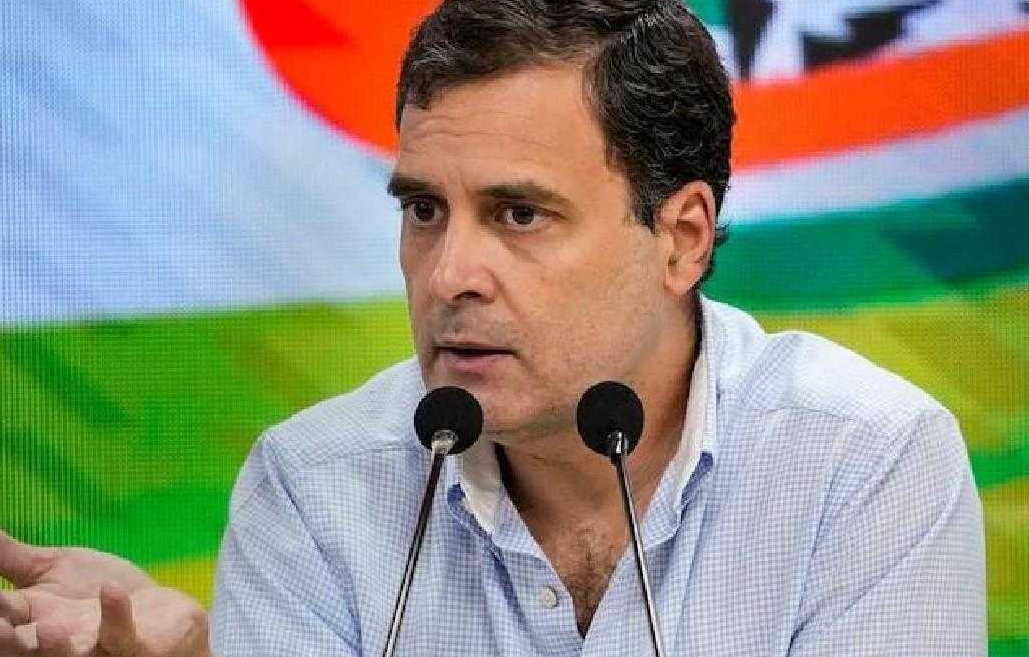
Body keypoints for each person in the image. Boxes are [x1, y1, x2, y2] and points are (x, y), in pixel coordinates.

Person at [0, 0, 986, 655]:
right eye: (424, 209)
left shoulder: (863, 462)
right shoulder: (313, 488)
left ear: (681, 238)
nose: (448, 276)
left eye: (519, 214)